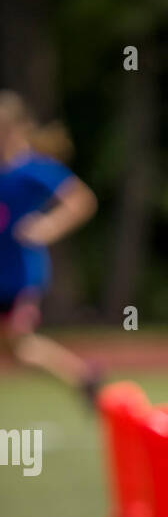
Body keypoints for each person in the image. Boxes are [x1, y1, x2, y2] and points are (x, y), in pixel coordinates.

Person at [0, 90, 102, 402]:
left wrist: (46, 227)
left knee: (18, 345)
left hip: (19, 276)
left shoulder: (34, 169)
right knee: (18, 350)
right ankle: (84, 378)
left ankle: (85, 379)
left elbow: (81, 200)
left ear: (16, 129)